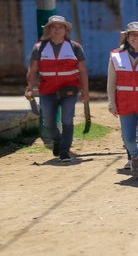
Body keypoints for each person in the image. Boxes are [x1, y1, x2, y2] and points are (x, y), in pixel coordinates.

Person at [25, 15, 90, 162]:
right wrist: (29, 87)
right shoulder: (39, 47)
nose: (57, 30)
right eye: (53, 27)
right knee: (48, 122)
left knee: (67, 120)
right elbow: (33, 69)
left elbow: (83, 71)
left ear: (66, 30)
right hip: (47, 90)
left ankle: (64, 150)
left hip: (69, 90)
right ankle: (57, 140)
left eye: (61, 27)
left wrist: (85, 91)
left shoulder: (75, 47)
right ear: (48, 30)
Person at [107, 22, 138, 181]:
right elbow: (111, 82)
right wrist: (111, 103)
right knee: (128, 137)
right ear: (127, 37)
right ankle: (135, 156)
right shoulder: (116, 55)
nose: (136, 37)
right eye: (132, 34)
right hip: (125, 101)